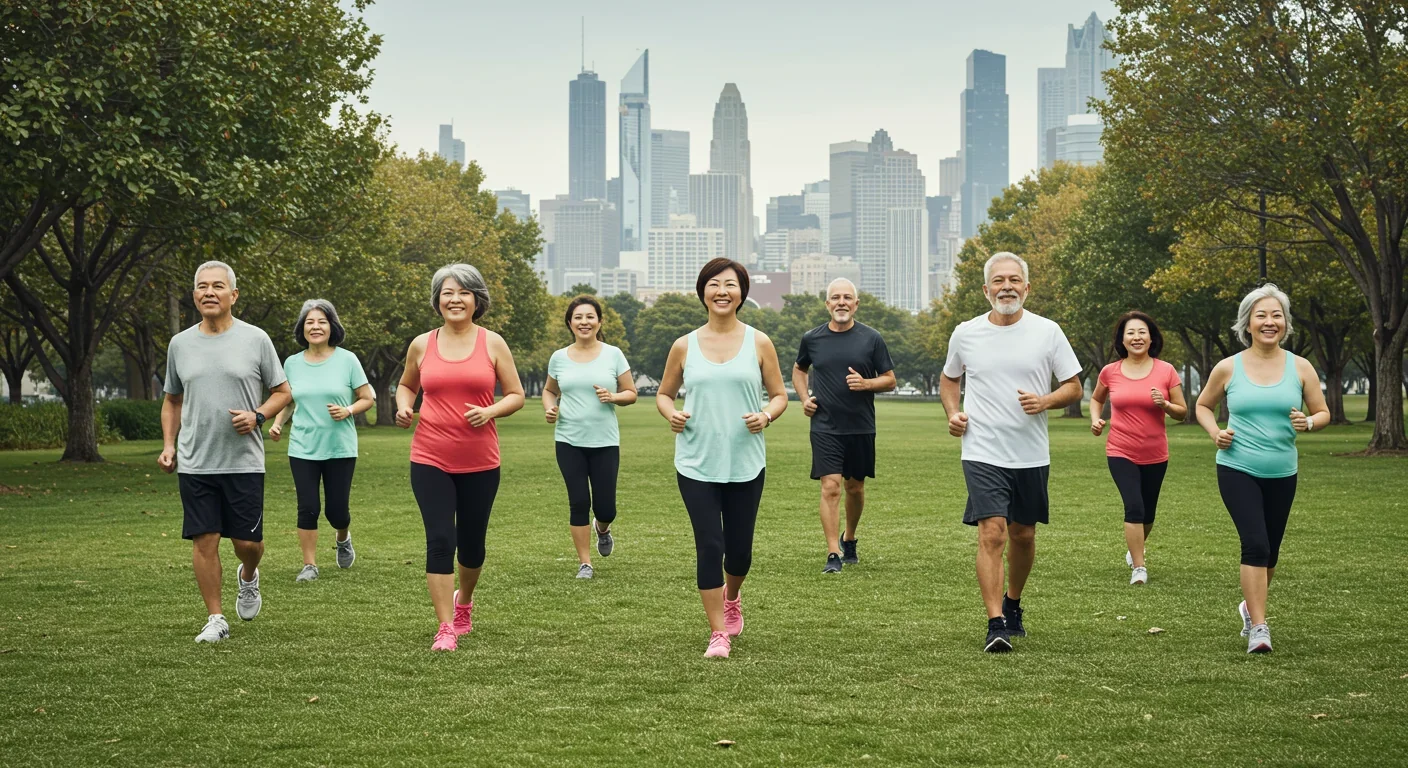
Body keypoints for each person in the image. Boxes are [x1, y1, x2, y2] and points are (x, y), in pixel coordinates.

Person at [939, 252, 1083, 653]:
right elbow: (950, 379)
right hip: (982, 449)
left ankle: (1014, 602)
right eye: (998, 281)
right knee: (993, 532)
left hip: (1031, 453)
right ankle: (995, 622)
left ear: (1027, 287)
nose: (1007, 287)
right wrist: (954, 414)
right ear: (986, 290)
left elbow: (1074, 387)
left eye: (1014, 280)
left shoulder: (1048, 331)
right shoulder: (966, 332)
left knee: (1023, 534)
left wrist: (1045, 400)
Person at [656, 258, 788, 659]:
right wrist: (671, 413)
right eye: (714, 284)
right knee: (709, 545)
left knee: (739, 550)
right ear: (703, 293)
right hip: (696, 461)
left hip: (746, 462)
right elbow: (664, 393)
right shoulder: (684, 345)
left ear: (741, 294)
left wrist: (765, 415)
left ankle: (733, 596)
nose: (722, 291)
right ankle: (718, 632)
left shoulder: (759, 342)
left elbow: (780, 395)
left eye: (730, 285)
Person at [159, 261, 292, 643]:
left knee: (247, 544)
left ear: (233, 295)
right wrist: (170, 445)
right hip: (196, 461)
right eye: (202, 286)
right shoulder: (180, 344)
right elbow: (172, 400)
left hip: (243, 461)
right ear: (194, 295)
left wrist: (257, 415)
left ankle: (248, 575)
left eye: (218, 286)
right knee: (205, 540)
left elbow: (283, 391)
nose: (209, 292)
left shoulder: (256, 339)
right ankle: (215, 617)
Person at [395, 263, 525, 652]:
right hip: (429, 456)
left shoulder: (493, 343)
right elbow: (406, 384)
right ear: (437, 301)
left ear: (476, 300)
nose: (455, 299)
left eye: (463, 292)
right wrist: (404, 405)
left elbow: (516, 394)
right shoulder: (422, 344)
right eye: (447, 292)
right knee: (439, 540)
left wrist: (491, 411)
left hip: (481, 461)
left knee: (472, 546)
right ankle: (445, 627)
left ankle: (463, 602)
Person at [1195, 284, 1329, 654]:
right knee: (1254, 543)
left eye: (1276, 316)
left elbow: (1323, 411)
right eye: (1261, 315)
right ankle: (1259, 626)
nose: (1270, 322)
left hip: (1283, 472)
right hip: (1237, 467)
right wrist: (1215, 432)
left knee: (1270, 552)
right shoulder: (1228, 367)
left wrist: (1311, 423)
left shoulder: (1300, 367)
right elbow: (1203, 406)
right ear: (1248, 324)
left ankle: (1248, 606)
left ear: (1285, 323)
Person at [792, 278, 896, 574]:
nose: (841, 302)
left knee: (855, 487)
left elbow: (890, 379)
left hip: (861, 425)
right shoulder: (812, 338)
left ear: (856, 304)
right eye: (835, 298)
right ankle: (833, 552)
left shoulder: (871, 338)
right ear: (827, 304)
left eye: (847, 298)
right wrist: (804, 398)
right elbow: (799, 370)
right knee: (830, 487)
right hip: (824, 425)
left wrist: (866, 384)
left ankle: (849, 537)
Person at [268, 299, 375, 582]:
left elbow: (368, 398)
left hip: (340, 447)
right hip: (303, 446)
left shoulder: (347, 360)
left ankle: (342, 537)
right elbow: (288, 401)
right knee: (308, 507)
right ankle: (310, 565)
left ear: (332, 327)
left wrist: (348, 410)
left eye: (321, 322)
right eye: (310, 322)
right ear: (302, 328)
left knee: (337, 510)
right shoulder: (291, 363)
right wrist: (278, 423)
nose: (315, 327)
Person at [543, 295, 638, 579]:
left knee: (606, 507)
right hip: (569, 440)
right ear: (570, 323)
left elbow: (631, 393)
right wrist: (550, 408)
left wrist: (614, 397)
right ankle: (585, 563)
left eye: (589, 317)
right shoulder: (559, 357)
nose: (584, 322)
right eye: (578, 317)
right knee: (578, 502)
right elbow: (550, 390)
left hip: (605, 442)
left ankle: (603, 528)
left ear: (599, 321)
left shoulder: (613, 354)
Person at [1089, 311, 1187, 586]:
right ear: (1122, 339)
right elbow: (1097, 399)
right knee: (1134, 507)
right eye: (1130, 332)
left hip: (1156, 453)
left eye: (1142, 332)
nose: (1136, 337)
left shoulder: (1165, 370)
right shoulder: (1111, 371)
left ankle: (1134, 549)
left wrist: (1166, 405)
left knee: (1148, 513)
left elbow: (1182, 412)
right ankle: (1139, 567)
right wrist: (1096, 419)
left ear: (1151, 337)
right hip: (1120, 450)